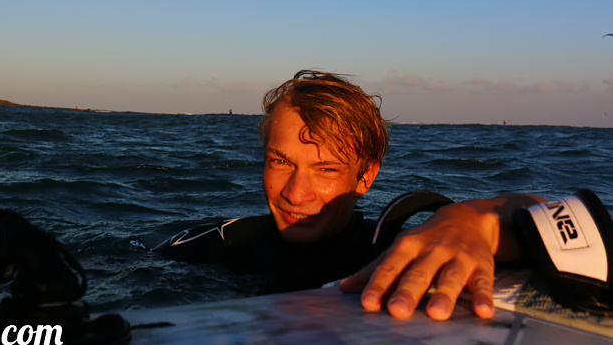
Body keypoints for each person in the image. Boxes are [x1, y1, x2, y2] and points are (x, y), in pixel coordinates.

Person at [156, 70, 544, 320]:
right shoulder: (217, 244)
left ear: (366, 176)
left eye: (326, 169)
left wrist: (475, 220)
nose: (295, 192)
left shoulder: (393, 250)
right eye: (280, 162)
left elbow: (558, 218)